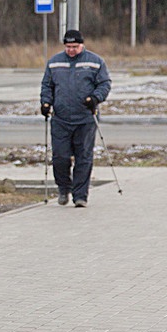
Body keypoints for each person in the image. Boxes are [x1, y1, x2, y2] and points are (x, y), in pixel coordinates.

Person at [40, 28, 112, 208]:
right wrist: (45, 103)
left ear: (82, 45)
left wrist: (96, 98)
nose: (71, 50)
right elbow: (47, 85)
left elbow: (104, 83)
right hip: (61, 118)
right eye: (68, 46)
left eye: (75, 46)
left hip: (85, 118)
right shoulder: (55, 62)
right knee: (60, 157)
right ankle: (64, 188)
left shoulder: (95, 62)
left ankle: (80, 195)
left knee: (84, 157)